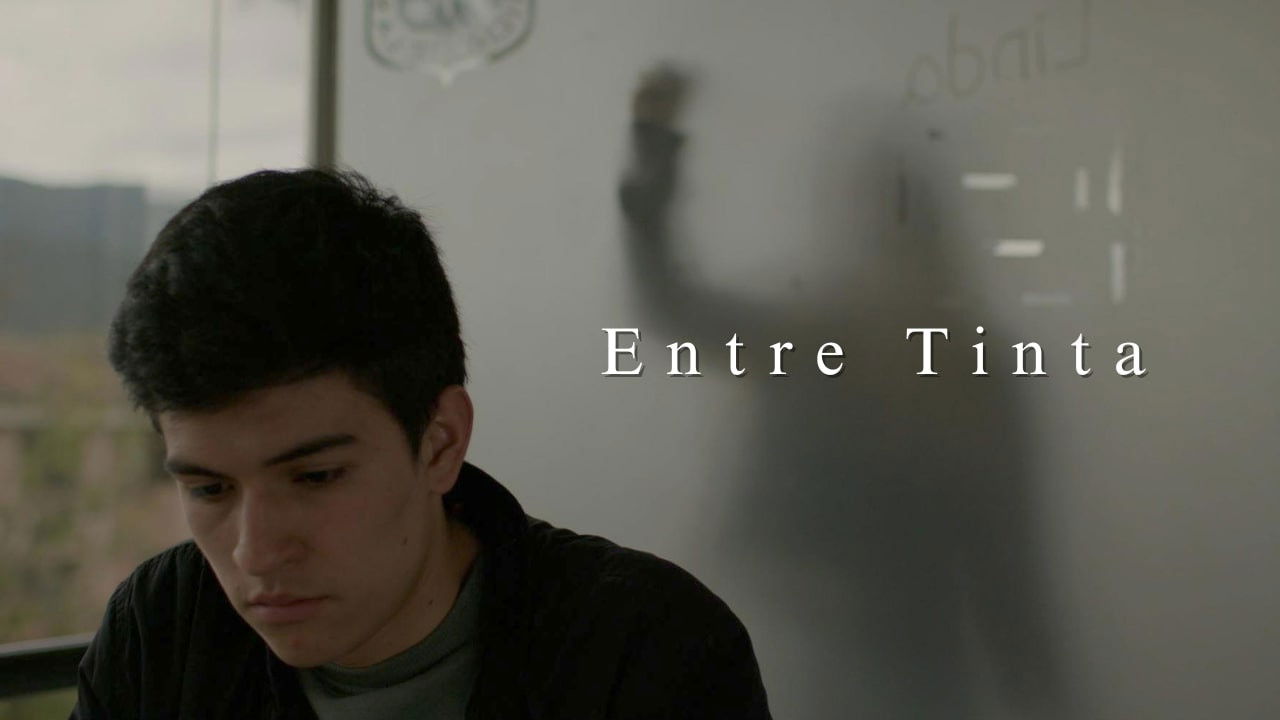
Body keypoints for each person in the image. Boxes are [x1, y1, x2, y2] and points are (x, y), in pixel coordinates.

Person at [71, 168, 771, 719]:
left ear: (440, 443)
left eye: (315, 477)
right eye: (209, 488)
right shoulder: (163, 631)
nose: (255, 552)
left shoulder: (647, 650)